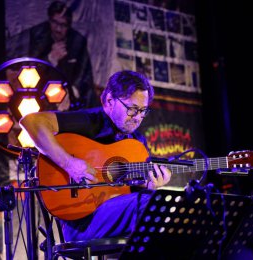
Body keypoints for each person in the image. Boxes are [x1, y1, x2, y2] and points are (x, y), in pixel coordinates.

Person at [19, 70, 171, 241]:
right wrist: (69, 164)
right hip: (82, 221)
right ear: (109, 101)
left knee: (158, 202)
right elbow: (31, 122)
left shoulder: (137, 142)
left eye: (143, 110)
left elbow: (133, 195)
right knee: (150, 204)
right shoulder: (91, 121)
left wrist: (151, 186)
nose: (138, 117)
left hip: (115, 218)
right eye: (132, 109)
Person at [29, 0, 99, 110]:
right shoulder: (38, 35)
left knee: (90, 96)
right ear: (49, 20)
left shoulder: (78, 41)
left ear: (69, 25)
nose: (58, 29)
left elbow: (85, 73)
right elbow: (31, 68)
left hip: (70, 91)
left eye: (63, 25)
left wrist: (72, 92)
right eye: (54, 23)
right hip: (44, 91)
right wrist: (50, 58)